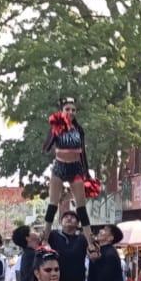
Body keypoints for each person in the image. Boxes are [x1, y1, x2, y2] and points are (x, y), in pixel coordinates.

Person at [42, 96, 92, 229]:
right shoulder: (56, 127)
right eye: (67, 109)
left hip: (75, 168)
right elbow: (46, 148)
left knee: (81, 205)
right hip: (60, 166)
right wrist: (54, 130)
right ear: (62, 111)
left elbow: (83, 153)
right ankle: (45, 235)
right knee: (53, 203)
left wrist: (86, 172)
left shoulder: (79, 129)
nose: (71, 112)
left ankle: (89, 239)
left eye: (73, 110)